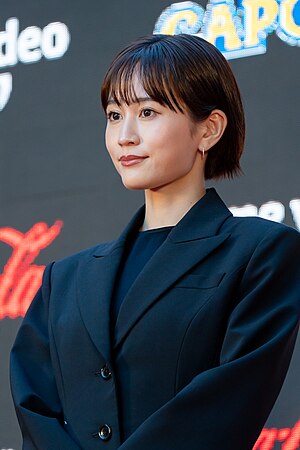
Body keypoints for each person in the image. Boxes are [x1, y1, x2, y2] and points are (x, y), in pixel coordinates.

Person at [10, 34, 300, 450]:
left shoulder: (262, 254)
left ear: (210, 129)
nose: (125, 135)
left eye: (147, 111)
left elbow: (223, 407)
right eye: (114, 115)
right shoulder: (65, 279)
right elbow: (34, 407)